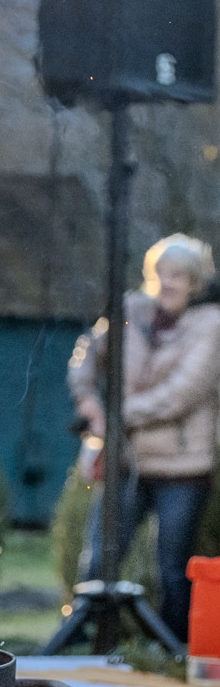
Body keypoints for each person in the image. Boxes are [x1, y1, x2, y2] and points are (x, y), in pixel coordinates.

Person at [68, 233, 220, 643]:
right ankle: (89, 641)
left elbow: (183, 394)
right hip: (125, 460)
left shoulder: (212, 324)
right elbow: (85, 354)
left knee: (171, 568)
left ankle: (171, 650)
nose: (167, 283)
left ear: (195, 282)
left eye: (179, 275)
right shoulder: (130, 311)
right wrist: (89, 404)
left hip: (182, 468)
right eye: (161, 273)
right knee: (100, 559)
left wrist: (118, 416)